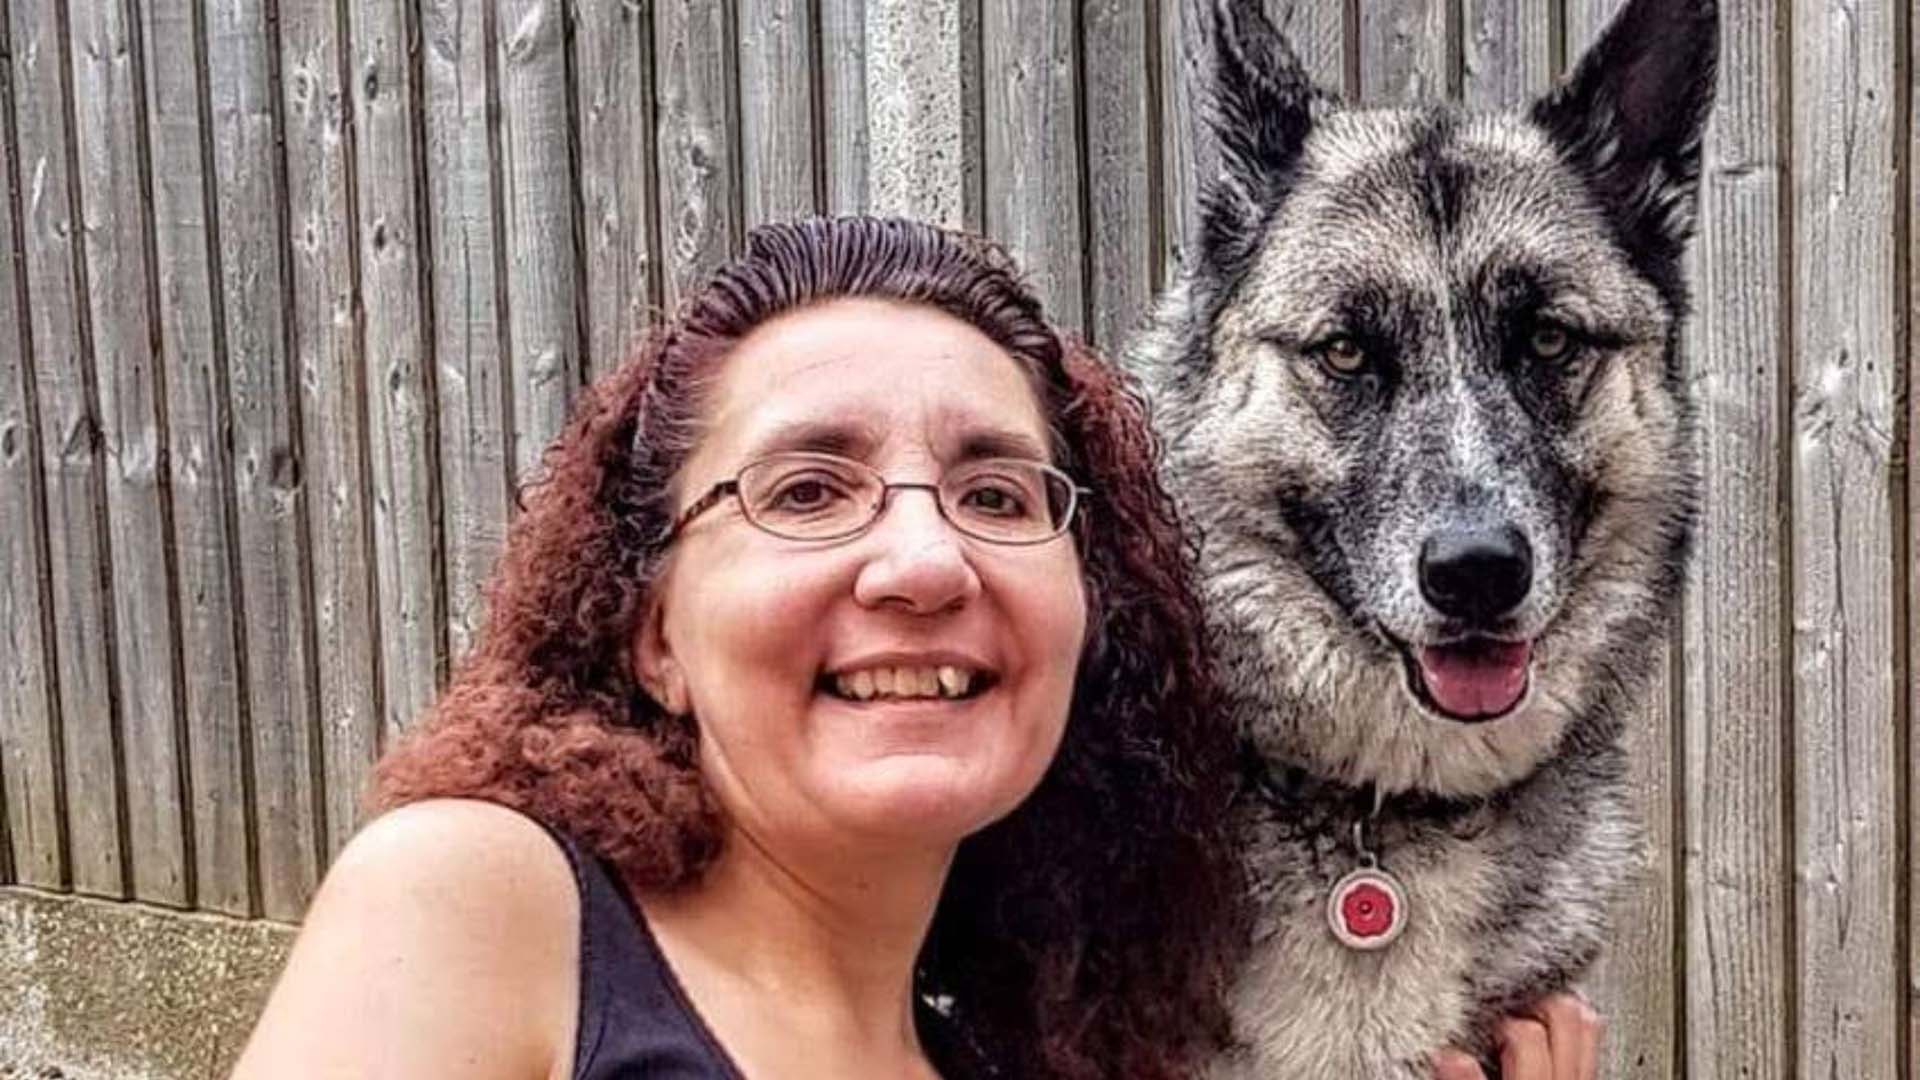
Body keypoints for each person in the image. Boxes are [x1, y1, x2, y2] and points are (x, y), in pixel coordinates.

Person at [230, 216, 1603, 1079]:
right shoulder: (495, 910)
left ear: (1086, 608)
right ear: (653, 630)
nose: (927, 559)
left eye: (998, 495)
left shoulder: (1012, 1054)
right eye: (807, 489)